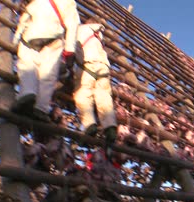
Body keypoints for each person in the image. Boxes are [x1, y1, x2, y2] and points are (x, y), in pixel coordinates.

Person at [11, 0, 80, 122]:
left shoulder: (35, 2)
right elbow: (72, 26)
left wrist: (15, 40)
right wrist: (70, 50)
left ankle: (27, 93)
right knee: (48, 74)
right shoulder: (69, 3)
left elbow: (23, 21)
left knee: (27, 64)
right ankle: (41, 108)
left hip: (32, 35)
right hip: (55, 38)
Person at [74, 17, 117, 145]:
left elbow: (75, 47)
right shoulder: (99, 36)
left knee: (82, 93)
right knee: (104, 97)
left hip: (88, 64)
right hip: (104, 67)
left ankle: (89, 124)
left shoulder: (80, 30)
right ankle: (110, 126)